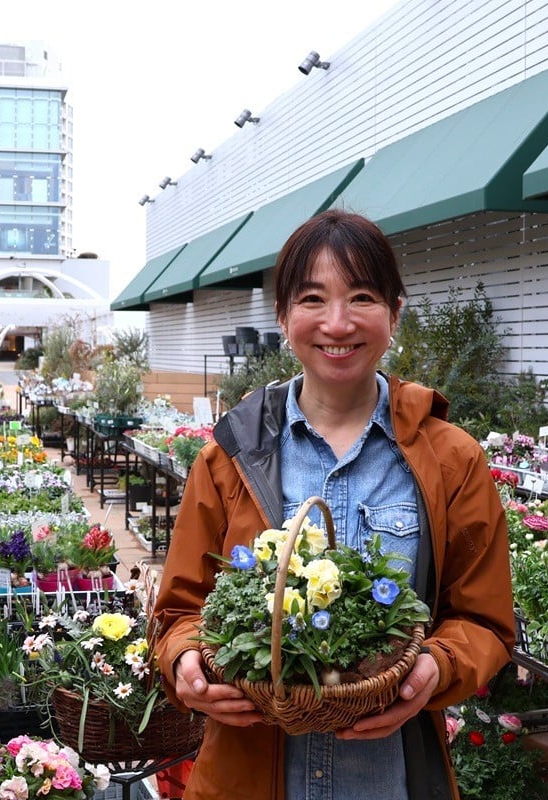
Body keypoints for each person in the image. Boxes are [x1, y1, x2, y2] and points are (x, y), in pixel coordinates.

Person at [152, 210, 515, 800]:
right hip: (247, 774)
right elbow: (179, 610)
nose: (338, 323)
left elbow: (486, 619)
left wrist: (437, 667)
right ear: (283, 316)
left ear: (395, 314)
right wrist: (186, 662)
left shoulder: (451, 460)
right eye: (313, 299)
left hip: (389, 779)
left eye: (363, 297)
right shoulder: (231, 455)